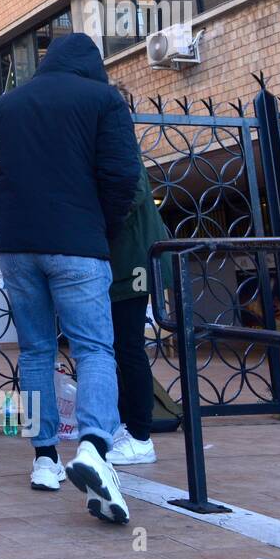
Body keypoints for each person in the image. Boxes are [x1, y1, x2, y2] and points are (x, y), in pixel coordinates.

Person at [0, 32, 140, 523]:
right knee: (94, 348)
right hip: (79, 243)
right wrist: (99, 222)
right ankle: (94, 447)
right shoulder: (104, 100)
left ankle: (44, 460)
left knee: (37, 349)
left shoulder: (4, 107)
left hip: (18, 248)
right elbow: (123, 175)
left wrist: (13, 212)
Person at [106, 163, 170, 465]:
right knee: (117, 349)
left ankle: (140, 436)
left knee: (128, 348)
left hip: (132, 265)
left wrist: (93, 221)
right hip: (119, 265)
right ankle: (125, 427)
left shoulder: (120, 146)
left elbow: (131, 195)